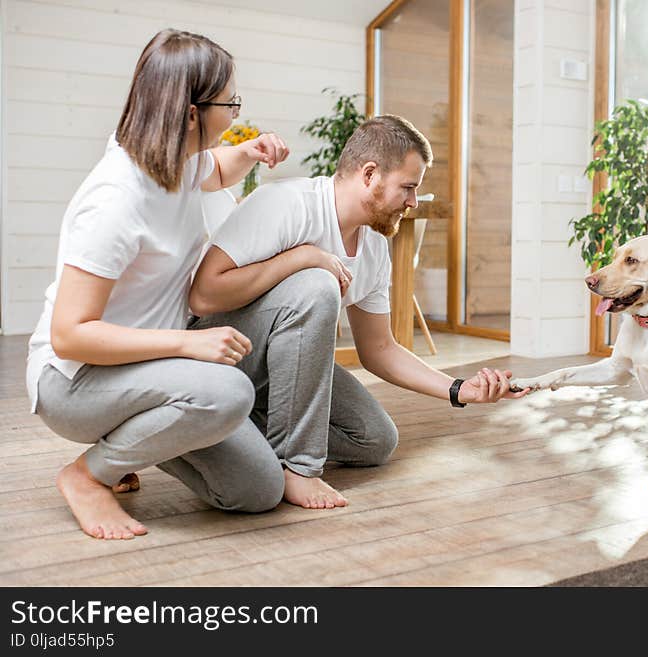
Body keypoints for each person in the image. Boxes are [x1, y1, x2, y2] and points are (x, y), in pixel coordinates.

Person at [26, 29, 290, 540]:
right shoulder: (116, 200)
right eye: (229, 103)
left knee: (256, 491)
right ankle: (86, 476)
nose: (235, 113)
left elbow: (217, 170)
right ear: (192, 113)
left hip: (144, 371)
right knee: (228, 390)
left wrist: (251, 150)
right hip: (75, 381)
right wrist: (188, 343)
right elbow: (70, 334)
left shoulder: (179, 160)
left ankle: (131, 440)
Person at [189, 114, 528, 511]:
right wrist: (304, 258)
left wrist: (459, 390)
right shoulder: (287, 204)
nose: (413, 201)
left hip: (283, 370)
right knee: (317, 282)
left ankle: (248, 427)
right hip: (223, 359)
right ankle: (296, 466)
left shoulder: (374, 247)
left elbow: (380, 348)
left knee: (374, 438)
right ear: (370, 174)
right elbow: (203, 296)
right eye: (408, 187)